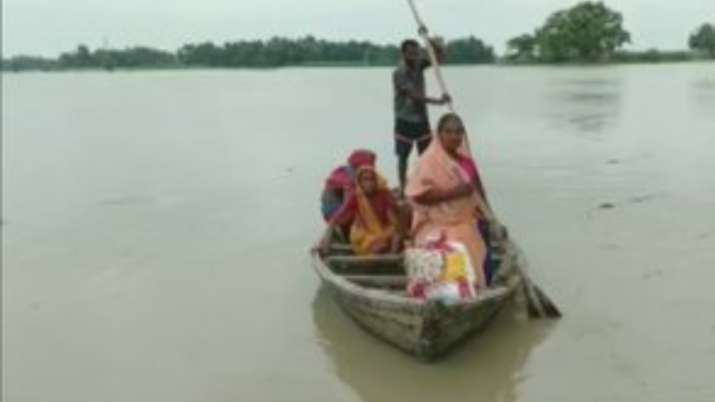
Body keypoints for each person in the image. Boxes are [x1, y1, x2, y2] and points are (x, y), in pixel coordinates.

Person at [405, 113, 496, 287]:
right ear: (439, 135)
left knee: (479, 253)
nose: (455, 136)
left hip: (466, 220)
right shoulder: (429, 161)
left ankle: (473, 287)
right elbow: (418, 195)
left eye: (459, 132)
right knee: (447, 257)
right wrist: (454, 192)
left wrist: (488, 213)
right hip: (438, 224)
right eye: (449, 132)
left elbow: (478, 189)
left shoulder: (466, 161)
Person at [393, 37, 450, 195]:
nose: (414, 56)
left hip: (421, 119)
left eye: (417, 53)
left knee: (426, 155)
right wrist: (438, 101)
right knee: (403, 156)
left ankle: (424, 184)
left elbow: (440, 59)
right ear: (404, 53)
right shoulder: (399, 72)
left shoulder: (419, 63)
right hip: (405, 118)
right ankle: (403, 188)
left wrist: (433, 43)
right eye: (411, 53)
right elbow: (414, 96)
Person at [319, 166, 402, 256]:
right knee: (374, 244)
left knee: (395, 235)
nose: (369, 183)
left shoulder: (385, 194)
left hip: (383, 230)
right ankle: (378, 254)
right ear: (360, 182)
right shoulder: (356, 197)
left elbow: (394, 219)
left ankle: (391, 256)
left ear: (376, 181)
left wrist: (396, 232)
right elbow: (338, 216)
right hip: (364, 232)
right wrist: (326, 239)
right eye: (365, 180)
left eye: (371, 179)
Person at [320, 149, 377, 224]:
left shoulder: (344, 171)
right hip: (335, 212)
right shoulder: (350, 176)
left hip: (335, 212)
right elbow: (350, 199)